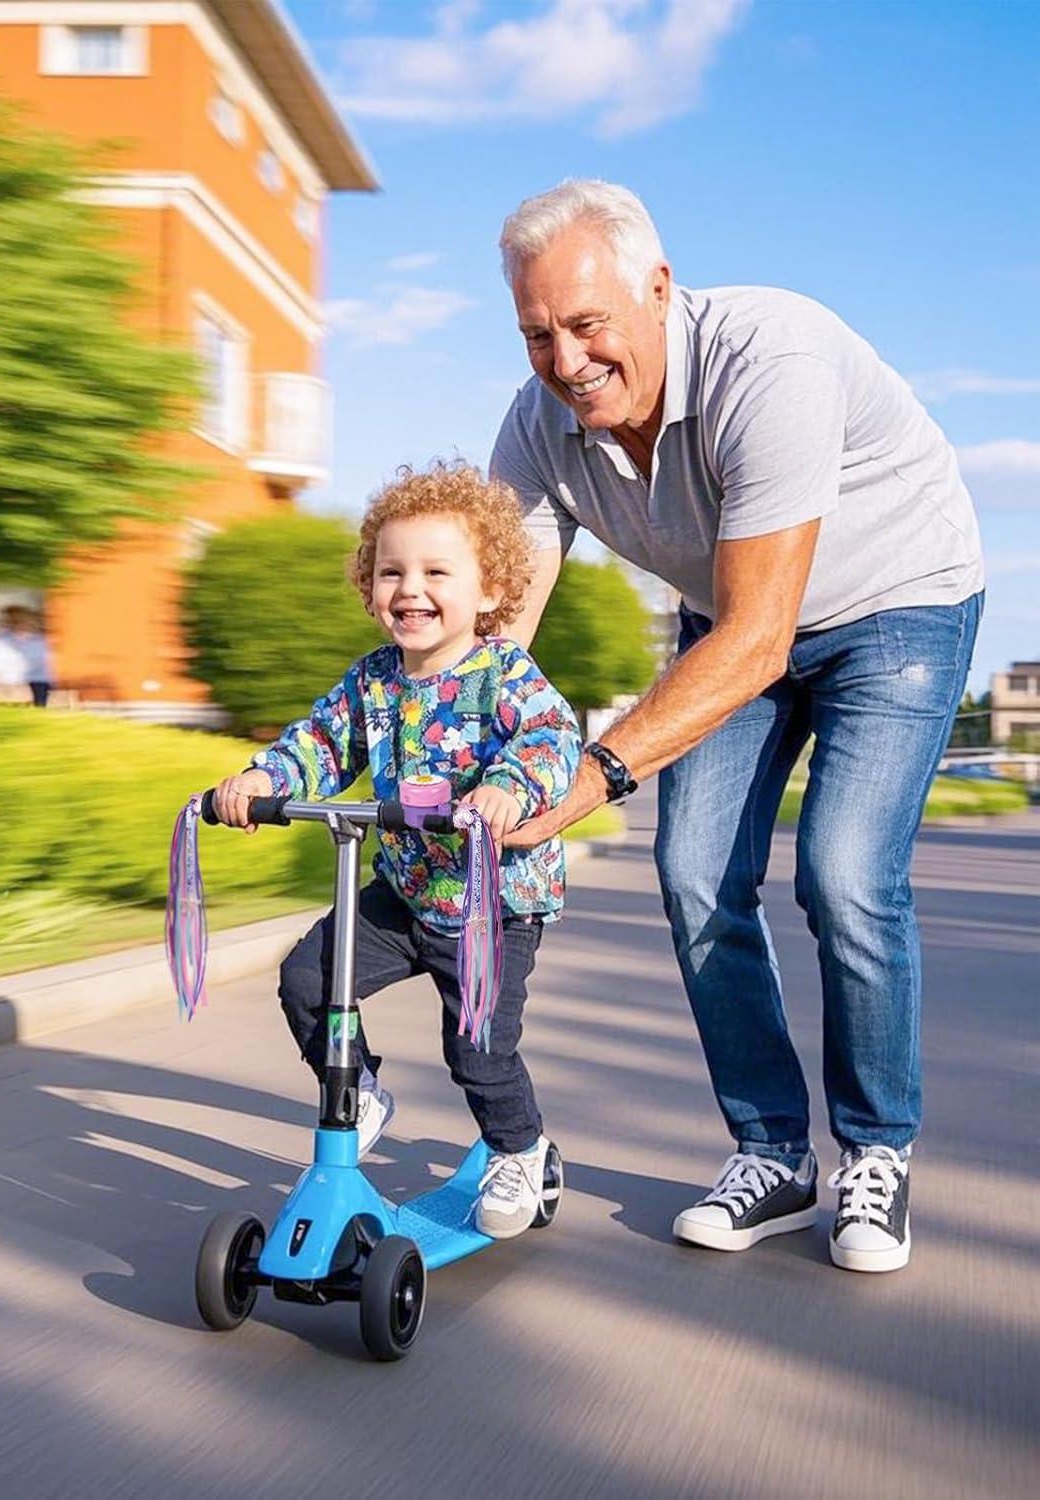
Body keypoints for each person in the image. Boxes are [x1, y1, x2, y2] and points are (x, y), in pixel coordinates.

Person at [489, 180, 984, 1273]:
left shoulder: (774, 360)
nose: (565, 361)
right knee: (695, 867)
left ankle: (873, 1153)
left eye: (586, 325)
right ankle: (772, 1151)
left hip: (895, 602)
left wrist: (580, 785)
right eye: (536, 334)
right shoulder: (540, 427)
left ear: (657, 290)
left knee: (845, 871)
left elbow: (761, 641)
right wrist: (434, 751)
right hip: (737, 618)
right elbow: (494, 635)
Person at [213, 461, 581, 1238]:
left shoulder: (503, 672)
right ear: (370, 586)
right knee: (308, 980)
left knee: (476, 1048)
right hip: (405, 888)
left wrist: (509, 785)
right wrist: (260, 776)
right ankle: (362, 1090)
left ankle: (519, 1148)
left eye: (435, 571)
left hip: (491, 901)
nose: (409, 588)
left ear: (488, 591)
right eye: (391, 571)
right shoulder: (372, 681)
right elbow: (319, 742)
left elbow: (554, 739)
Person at [17, 607, 54, 708]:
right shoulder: (34, 639)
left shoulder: (38, 640)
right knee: (39, 701)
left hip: (40, 677)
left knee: (40, 701)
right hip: (37, 676)